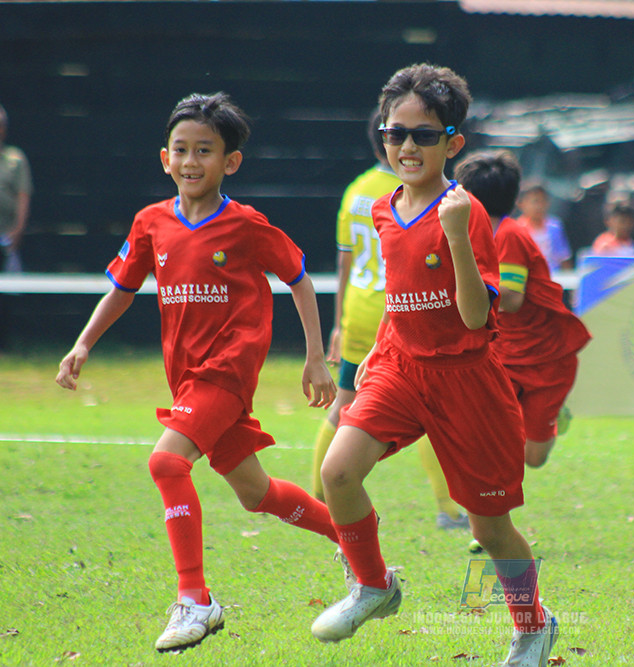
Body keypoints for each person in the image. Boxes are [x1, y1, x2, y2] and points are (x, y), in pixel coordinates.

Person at [54, 92, 341, 654]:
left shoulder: (245, 225)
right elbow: (122, 287)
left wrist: (314, 356)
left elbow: (299, 278)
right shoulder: (151, 222)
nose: (191, 161)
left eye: (204, 151)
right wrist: (83, 344)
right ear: (165, 158)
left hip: (228, 371)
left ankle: (196, 600)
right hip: (187, 379)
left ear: (229, 162)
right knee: (256, 493)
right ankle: (353, 534)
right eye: (181, 150)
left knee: (166, 462)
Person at [311, 63, 559, 666]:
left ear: (452, 143)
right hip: (401, 368)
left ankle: (533, 625)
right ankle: (373, 585)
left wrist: (453, 237)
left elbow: (476, 317)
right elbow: (400, 296)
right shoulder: (381, 208)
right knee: (337, 473)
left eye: (424, 135)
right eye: (396, 133)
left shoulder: (465, 211)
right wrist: (368, 358)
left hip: (466, 378)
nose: (407, 146)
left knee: (488, 528)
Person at [310, 109, 469, 530]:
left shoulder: (356, 190)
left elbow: (345, 262)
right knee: (437, 412)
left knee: (343, 406)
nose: (410, 146)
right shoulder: (410, 191)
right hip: (402, 314)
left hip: (358, 313)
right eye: (400, 134)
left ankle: (318, 500)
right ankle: (447, 508)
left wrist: (339, 321)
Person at [455, 149, 591, 467]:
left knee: (534, 458)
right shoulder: (471, 233)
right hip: (503, 352)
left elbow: (512, 299)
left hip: (545, 358)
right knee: (489, 437)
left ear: (472, 198)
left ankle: (555, 415)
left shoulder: (509, 235)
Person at [0, 103, 32, 350]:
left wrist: (16, 231)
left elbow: (23, 196)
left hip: (6, 238)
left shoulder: (15, 159)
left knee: (8, 293)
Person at [515, 180, 573, 272]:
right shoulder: (517, 229)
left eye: (542, 201)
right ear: (521, 204)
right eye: (535, 202)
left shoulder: (555, 227)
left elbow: (563, 258)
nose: (538, 206)